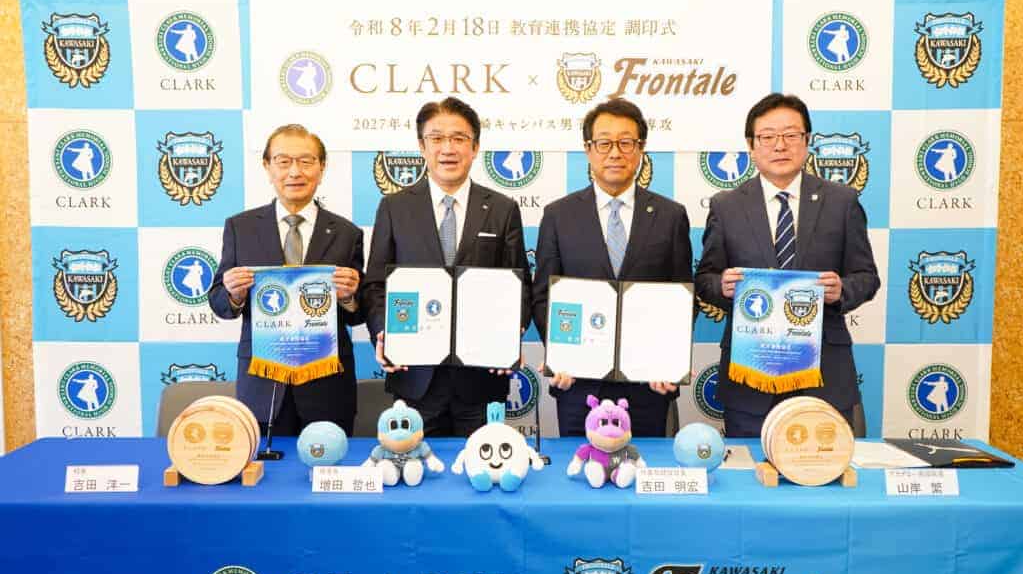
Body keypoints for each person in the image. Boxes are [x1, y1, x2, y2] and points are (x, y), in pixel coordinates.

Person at [695, 93, 880, 437]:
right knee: (751, 467)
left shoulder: (842, 201)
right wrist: (721, 285)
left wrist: (842, 290)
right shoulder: (726, 206)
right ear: (751, 146)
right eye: (767, 136)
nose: (780, 145)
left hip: (823, 374)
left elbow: (867, 277)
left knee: (824, 466)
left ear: (807, 141)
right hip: (751, 373)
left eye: (791, 135)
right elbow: (705, 278)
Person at [362, 97, 531, 437]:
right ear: (421, 146)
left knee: (483, 464)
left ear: (475, 147)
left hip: (481, 375)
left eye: (458, 138)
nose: (448, 148)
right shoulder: (394, 208)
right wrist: (384, 331)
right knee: (413, 465)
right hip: (414, 374)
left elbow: (520, 286)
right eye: (437, 138)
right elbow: (376, 284)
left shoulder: (502, 209)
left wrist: (510, 334)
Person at [531, 98, 692, 437]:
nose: (615, 153)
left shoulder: (670, 216)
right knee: (580, 466)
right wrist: (561, 353)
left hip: (647, 385)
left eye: (626, 142)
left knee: (642, 467)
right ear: (588, 149)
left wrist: (667, 360)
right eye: (604, 143)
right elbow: (543, 296)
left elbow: (682, 298)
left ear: (641, 148)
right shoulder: (558, 216)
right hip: (579, 385)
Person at [209, 124, 364, 435]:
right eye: (283, 161)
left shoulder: (347, 233)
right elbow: (218, 302)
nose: (295, 171)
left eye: (306, 161)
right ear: (267, 167)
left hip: (328, 385)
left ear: (321, 168)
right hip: (263, 383)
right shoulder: (241, 228)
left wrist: (349, 296)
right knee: (264, 464)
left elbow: (358, 313)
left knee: (329, 460)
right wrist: (234, 294)